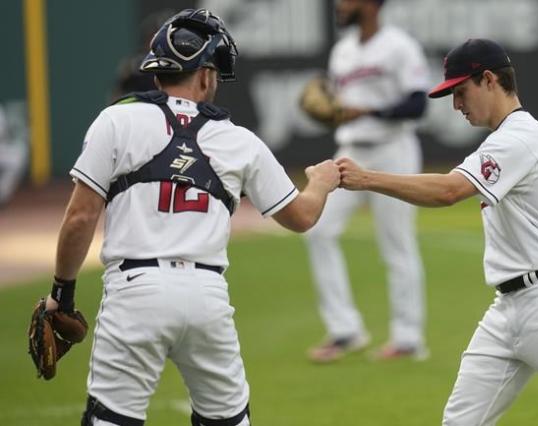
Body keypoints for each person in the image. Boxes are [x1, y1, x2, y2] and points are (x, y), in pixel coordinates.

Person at [42, 9, 340, 426]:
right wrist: (323, 181)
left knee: (111, 419)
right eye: (215, 71)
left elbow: (79, 219)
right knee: (227, 420)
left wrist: (63, 294)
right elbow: (302, 217)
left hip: (135, 292)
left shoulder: (117, 119)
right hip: (206, 296)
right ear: (203, 75)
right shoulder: (240, 140)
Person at [337, 37, 538, 424]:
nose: (456, 105)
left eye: (460, 91)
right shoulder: (512, 138)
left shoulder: (518, 138)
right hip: (509, 310)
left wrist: (367, 178)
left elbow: (448, 191)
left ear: (490, 80)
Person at [305, 0, 430, 363]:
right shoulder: (341, 51)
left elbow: (418, 104)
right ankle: (345, 329)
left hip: (393, 150)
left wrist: (372, 110)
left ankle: (408, 339)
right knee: (317, 229)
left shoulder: (399, 45)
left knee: (397, 244)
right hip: (349, 151)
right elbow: (339, 107)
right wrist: (332, 112)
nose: (340, 5)